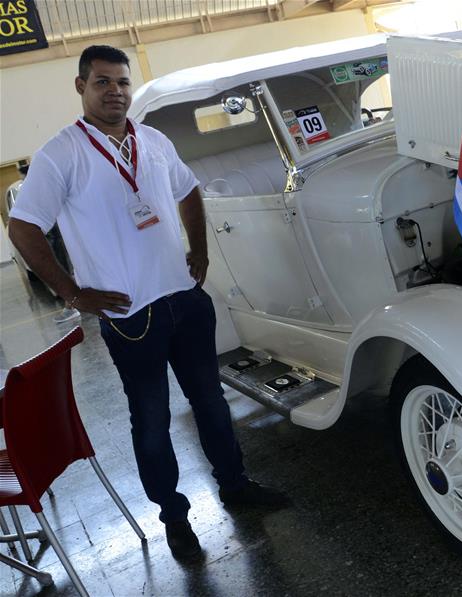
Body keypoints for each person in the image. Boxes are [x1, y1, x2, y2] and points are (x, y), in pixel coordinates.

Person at [8, 45, 288, 561]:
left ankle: (235, 485)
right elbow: (22, 225)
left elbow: (188, 190)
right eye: (102, 82)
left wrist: (198, 248)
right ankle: (175, 518)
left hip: (184, 299)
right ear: (80, 87)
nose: (114, 91)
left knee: (211, 403)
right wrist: (72, 291)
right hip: (130, 313)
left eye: (121, 82)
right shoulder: (61, 154)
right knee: (152, 420)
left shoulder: (153, 140)